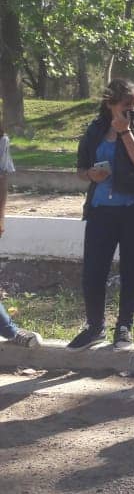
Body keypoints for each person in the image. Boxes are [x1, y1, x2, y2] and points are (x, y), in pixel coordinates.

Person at [68, 79, 134, 352]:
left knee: (131, 268)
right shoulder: (95, 129)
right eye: (125, 105)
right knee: (94, 271)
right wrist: (90, 175)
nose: (131, 110)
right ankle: (95, 326)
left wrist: (125, 133)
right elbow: (81, 168)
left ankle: (124, 327)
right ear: (110, 104)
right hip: (100, 210)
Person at [0, 125, 41, 348]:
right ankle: (10, 330)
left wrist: (1, 216)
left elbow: (2, 179)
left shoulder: (1, 139)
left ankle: (10, 331)